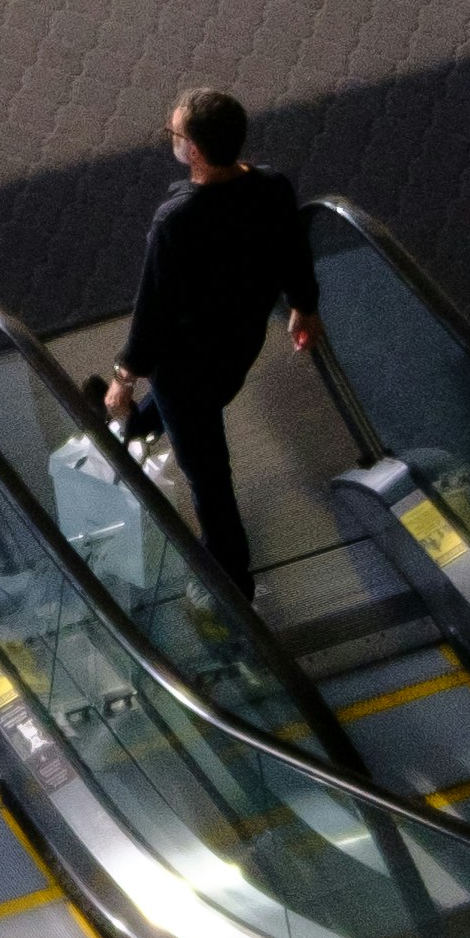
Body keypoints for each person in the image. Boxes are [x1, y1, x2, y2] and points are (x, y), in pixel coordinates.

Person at [104, 84, 318, 590]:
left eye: (173, 132)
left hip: (185, 370)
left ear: (193, 150)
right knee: (187, 415)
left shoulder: (176, 221)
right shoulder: (272, 186)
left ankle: (230, 583)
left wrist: (123, 378)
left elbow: (151, 312)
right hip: (237, 347)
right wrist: (304, 308)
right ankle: (133, 428)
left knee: (209, 479)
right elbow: (294, 252)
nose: (171, 139)